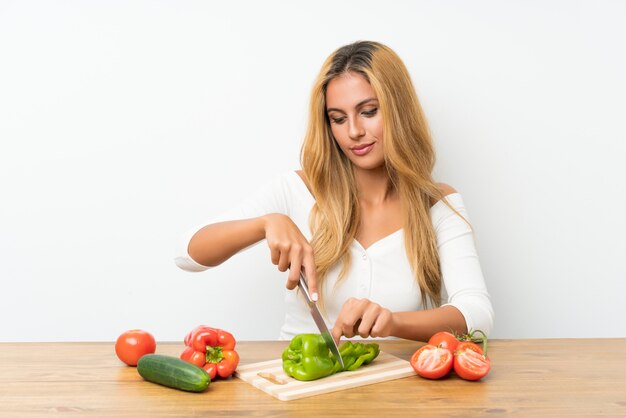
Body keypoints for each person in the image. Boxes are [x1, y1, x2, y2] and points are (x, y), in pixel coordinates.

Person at [175, 40, 494, 343]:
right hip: (298, 383)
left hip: (397, 390)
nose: (354, 131)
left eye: (369, 111)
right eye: (338, 119)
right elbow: (186, 254)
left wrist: (393, 322)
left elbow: (477, 313)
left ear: (398, 111)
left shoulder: (437, 204)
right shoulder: (295, 190)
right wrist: (265, 223)